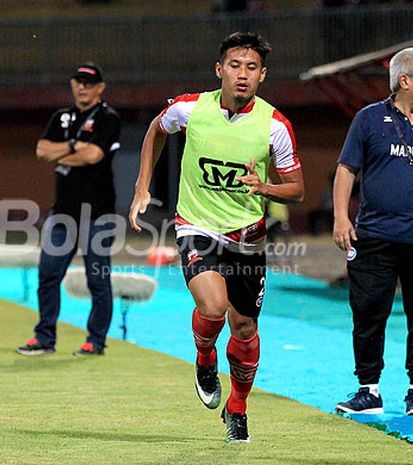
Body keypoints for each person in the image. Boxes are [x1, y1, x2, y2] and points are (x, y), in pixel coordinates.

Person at [129, 32, 304, 444]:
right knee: (213, 306)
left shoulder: (275, 126)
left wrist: (265, 188)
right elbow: (157, 128)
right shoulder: (191, 108)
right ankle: (205, 359)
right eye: (235, 66)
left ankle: (238, 406)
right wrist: (142, 186)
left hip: (247, 239)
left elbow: (295, 188)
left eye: (252, 68)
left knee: (244, 329)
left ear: (262, 75)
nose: (242, 75)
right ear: (219, 69)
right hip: (197, 226)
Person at [332, 47, 413, 416]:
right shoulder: (368, 120)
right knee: (368, 313)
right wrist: (340, 217)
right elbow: (346, 170)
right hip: (374, 237)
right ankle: (368, 389)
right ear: (404, 80)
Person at [16, 62, 121, 357]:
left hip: (97, 214)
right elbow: (41, 151)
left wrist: (63, 151)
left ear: (101, 87)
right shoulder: (61, 116)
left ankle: (95, 340)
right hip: (62, 213)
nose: (82, 87)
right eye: (78, 82)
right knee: (48, 274)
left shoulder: (108, 118)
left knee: (97, 279)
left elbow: (94, 155)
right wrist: (75, 145)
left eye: (89, 82)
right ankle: (45, 337)